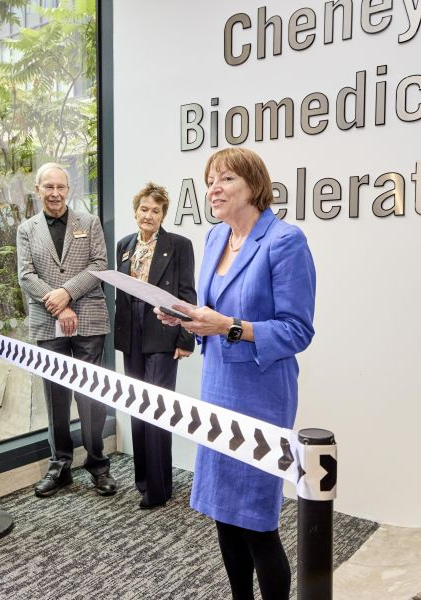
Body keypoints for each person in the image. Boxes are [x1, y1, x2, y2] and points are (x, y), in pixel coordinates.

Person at [157, 148, 316, 600]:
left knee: (257, 522)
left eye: (225, 179)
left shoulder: (285, 241)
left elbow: (297, 330)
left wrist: (226, 326)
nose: (214, 188)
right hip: (219, 387)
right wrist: (186, 317)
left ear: (253, 185)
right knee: (225, 514)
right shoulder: (214, 238)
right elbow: (215, 312)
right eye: (210, 180)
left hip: (261, 394)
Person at [17, 162, 116, 498]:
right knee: (55, 397)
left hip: (89, 319)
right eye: (49, 187)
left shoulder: (88, 222)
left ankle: (98, 464)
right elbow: (26, 275)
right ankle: (60, 464)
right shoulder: (26, 229)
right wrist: (58, 303)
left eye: (61, 187)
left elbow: (100, 265)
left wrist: (67, 293)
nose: (55, 193)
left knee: (90, 396)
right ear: (38, 189)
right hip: (48, 322)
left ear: (68, 189)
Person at [114, 182, 196, 509]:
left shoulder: (179, 245)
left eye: (156, 210)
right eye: (144, 209)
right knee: (137, 407)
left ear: (163, 214)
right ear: (136, 211)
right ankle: (144, 480)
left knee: (158, 410)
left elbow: (187, 294)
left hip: (163, 336)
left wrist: (186, 337)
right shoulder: (124, 245)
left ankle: (160, 490)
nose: (149, 215)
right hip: (131, 336)